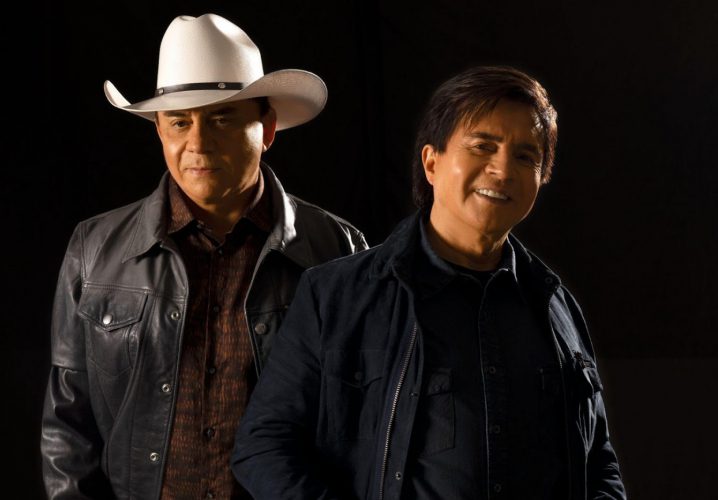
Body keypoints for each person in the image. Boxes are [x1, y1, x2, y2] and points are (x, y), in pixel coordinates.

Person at [232, 65, 627, 499]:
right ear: (432, 162)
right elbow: (263, 447)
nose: (502, 170)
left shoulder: (555, 306)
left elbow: (599, 463)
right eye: (483, 146)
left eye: (525, 156)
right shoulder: (335, 296)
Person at [40, 13, 367, 500]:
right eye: (180, 122)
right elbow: (68, 427)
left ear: (267, 128)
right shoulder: (93, 249)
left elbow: (361, 421)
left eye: (221, 118)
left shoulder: (337, 250)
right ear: (159, 131)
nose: (197, 143)